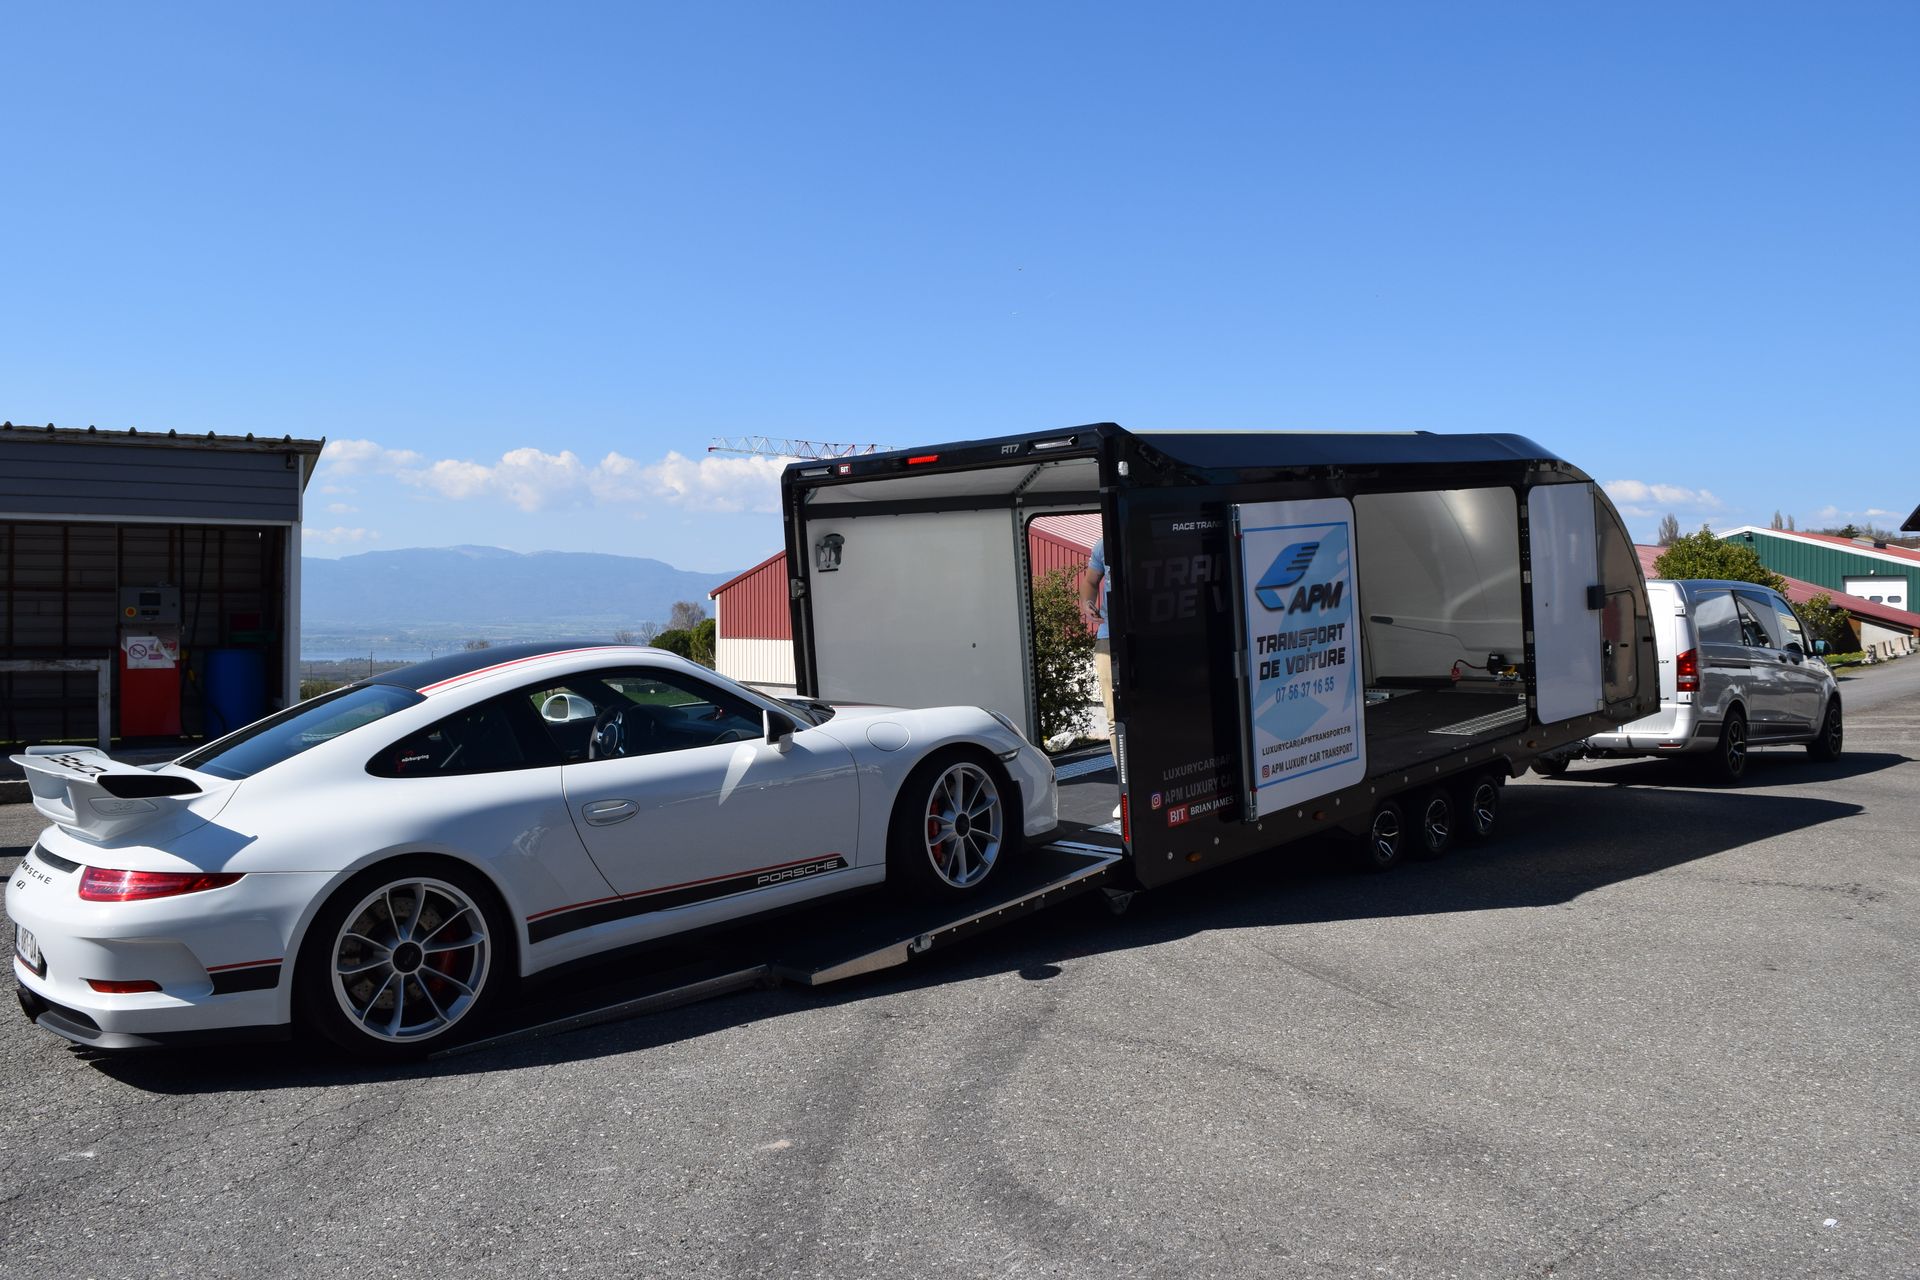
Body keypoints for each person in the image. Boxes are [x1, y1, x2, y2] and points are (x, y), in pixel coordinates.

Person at [1077, 538, 1121, 819]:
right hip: (1109, 639)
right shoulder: (1104, 542)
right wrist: (1087, 603)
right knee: (1116, 718)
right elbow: (1090, 581)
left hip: (1152, 634)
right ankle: (1127, 787)